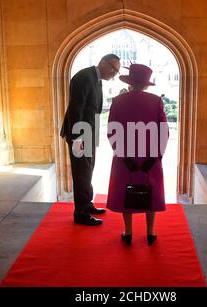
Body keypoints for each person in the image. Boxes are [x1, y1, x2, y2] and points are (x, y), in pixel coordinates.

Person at [106, 64, 169, 245]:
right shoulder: (157, 101)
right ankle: (150, 232)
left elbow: (112, 132)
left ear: (130, 83)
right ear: (146, 84)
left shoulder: (117, 101)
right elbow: (163, 132)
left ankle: (128, 232)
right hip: (150, 157)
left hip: (125, 158)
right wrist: (155, 157)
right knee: (151, 191)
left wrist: (124, 157)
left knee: (127, 192)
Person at [60, 54, 121, 226]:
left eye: (116, 70)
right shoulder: (84, 77)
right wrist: (78, 138)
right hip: (81, 134)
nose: (114, 73)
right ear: (103, 62)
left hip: (89, 133)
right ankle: (81, 213)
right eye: (113, 68)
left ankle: (87, 205)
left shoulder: (96, 78)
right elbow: (76, 109)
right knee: (81, 174)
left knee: (87, 171)